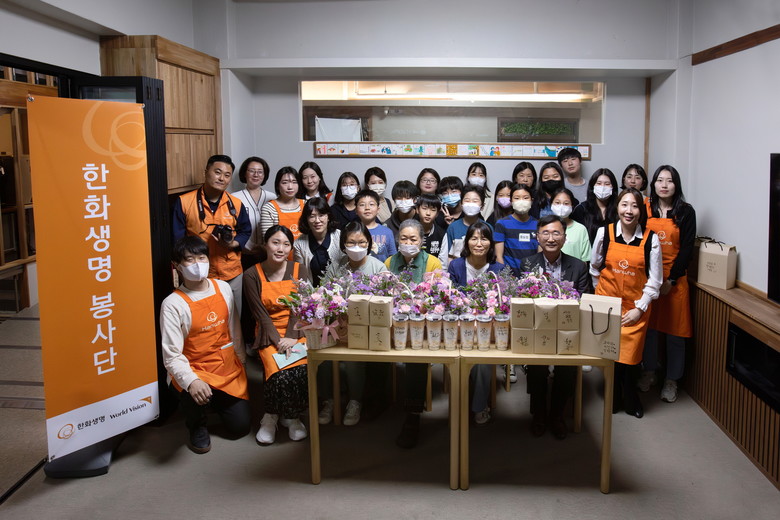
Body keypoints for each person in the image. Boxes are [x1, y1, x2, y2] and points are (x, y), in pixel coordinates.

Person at [160, 236, 250, 454]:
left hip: (225, 366)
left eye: (202, 257)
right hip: (195, 367)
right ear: (177, 266)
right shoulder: (172, 304)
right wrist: (191, 381)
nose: (198, 264)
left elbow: (234, 328)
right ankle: (196, 424)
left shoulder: (223, 288)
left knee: (240, 427)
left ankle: (215, 400)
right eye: (190, 260)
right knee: (190, 389)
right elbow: (171, 355)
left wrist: (242, 360)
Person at [590, 188, 662, 419]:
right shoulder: (604, 233)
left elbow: (655, 280)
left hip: (634, 308)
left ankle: (631, 398)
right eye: (624, 204)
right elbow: (594, 267)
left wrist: (640, 309)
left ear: (641, 210)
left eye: (634, 206)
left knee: (630, 358)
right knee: (610, 354)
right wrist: (600, 298)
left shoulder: (651, 239)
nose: (629, 211)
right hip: (607, 305)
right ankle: (613, 396)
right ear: (617, 207)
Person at [521, 215, 592, 439]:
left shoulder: (578, 266)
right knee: (536, 368)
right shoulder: (528, 264)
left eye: (556, 233)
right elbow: (522, 300)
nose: (551, 238)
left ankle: (557, 415)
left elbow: (583, 301)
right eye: (545, 233)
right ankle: (539, 414)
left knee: (567, 368)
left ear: (564, 237)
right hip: (538, 329)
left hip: (568, 330)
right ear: (537, 237)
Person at [244, 226, 310, 444]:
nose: (280, 248)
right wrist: (278, 341)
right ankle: (270, 417)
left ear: (291, 248)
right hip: (268, 333)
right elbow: (260, 314)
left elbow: (301, 307)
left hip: (297, 330)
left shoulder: (300, 270)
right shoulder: (251, 274)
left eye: (286, 244)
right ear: (265, 244)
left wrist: (291, 337)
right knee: (277, 372)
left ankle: (292, 417)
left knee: (298, 370)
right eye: (275, 242)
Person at [319, 222, 388, 426]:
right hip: (338, 325)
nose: (356, 247)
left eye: (361, 242)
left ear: (369, 243)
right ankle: (328, 400)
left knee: (352, 359)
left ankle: (355, 401)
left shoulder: (378, 267)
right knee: (322, 356)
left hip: (366, 328)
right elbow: (324, 295)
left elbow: (384, 304)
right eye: (351, 242)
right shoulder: (336, 266)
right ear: (343, 245)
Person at [640, 165, 697, 403]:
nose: (664, 185)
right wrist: (651, 280)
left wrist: (671, 279)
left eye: (670, 180)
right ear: (653, 183)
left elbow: (687, 249)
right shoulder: (644, 207)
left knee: (676, 333)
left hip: (675, 279)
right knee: (650, 330)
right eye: (660, 180)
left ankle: (672, 380)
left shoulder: (686, 211)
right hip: (648, 278)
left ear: (676, 185)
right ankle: (649, 371)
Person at [385, 219, 442, 448]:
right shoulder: (390, 262)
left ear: (421, 241)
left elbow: (438, 299)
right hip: (393, 324)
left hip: (422, 327)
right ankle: (374, 401)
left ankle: (413, 415)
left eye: (413, 239)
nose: (408, 243)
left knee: (415, 357)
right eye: (404, 238)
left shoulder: (433, 263)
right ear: (397, 239)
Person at [172, 154, 251, 314]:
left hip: (232, 272)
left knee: (233, 317)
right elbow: (178, 240)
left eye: (227, 175)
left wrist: (232, 244)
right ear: (206, 172)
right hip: (198, 273)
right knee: (204, 318)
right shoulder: (185, 202)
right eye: (217, 172)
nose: (222, 178)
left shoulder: (235, 204)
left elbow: (245, 230)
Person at [447, 221, 503, 425]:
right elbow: (450, 300)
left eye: (484, 238)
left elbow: (503, 304)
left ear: (491, 243)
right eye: (474, 238)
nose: (479, 243)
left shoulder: (499, 269)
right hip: (459, 326)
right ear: (467, 242)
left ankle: (479, 406)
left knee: (481, 360)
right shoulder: (456, 266)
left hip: (487, 329)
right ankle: (457, 403)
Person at [231, 156, 276, 269]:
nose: (256, 175)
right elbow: (232, 227)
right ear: (244, 173)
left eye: (260, 172)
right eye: (251, 171)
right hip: (243, 253)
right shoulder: (234, 198)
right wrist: (249, 247)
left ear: (264, 175)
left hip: (268, 253)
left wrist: (265, 248)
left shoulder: (272, 197)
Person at [293, 197, 343, 286]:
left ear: (328, 217)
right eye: (312, 216)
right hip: (311, 292)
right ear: (306, 219)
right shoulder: (299, 244)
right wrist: (313, 293)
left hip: (340, 289)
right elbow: (302, 278)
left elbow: (346, 268)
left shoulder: (340, 237)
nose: (317, 221)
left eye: (321, 215)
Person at [494, 183, 539, 277]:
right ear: (511, 201)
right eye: (517, 198)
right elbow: (499, 256)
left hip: (532, 276)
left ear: (532, 201)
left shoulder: (539, 225)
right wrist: (505, 277)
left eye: (525, 198)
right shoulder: (501, 224)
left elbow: (540, 255)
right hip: (509, 276)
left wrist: (535, 277)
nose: (521, 201)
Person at [439, 184, 489, 268]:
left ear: (482, 206)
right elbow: (444, 256)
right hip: (456, 272)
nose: (470, 204)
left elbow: (491, 255)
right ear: (461, 204)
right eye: (467, 200)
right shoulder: (453, 227)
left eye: (475, 201)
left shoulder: (487, 228)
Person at [571, 168, 619, 243]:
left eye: (607, 184)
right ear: (593, 186)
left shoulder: (619, 210)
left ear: (613, 188)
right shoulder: (581, 209)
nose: (603, 187)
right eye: (599, 183)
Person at [259, 166, 304, 246]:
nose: (290, 187)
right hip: (279, 253)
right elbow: (268, 240)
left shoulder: (306, 204)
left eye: (294, 182)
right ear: (277, 185)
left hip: (304, 253)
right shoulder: (269, 208)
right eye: (285, 182)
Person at [549, 188, 591, 263]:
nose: (561, 206)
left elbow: (584, 260)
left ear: (572, 206)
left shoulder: (580, 229)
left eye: (566, 203)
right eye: (557, 203)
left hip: (575, 270)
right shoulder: (545, 227)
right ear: (551, 204)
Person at [355, 189, 397, 262]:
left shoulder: (387, 232)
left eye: (371, 204)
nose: (367, 208)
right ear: (356, 210)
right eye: (362, 205)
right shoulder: (352, 231)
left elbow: (393, 258)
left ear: (378, 209)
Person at [416, 194, 446, 258]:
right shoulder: (409, 231)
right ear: (417, 210)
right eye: (424, 208)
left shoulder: (442, 234)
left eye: (433, 210)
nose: (428, 213)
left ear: (437, 214)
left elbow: (443, 260)